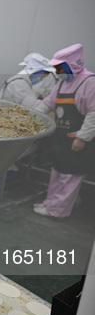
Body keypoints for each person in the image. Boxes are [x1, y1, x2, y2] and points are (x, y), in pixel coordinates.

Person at [33, 43, 95, 218]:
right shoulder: (62, 84)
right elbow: (46, 104)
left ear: (73, 65)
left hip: (77, 139)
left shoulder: (89, 82)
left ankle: (57, 211)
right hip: (61, 138)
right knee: (58, 172)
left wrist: (82, 138)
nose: (58, 72)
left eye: (60, 68)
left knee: (70, 176)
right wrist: (29, 117)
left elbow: (93, 113)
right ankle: (53, 203)